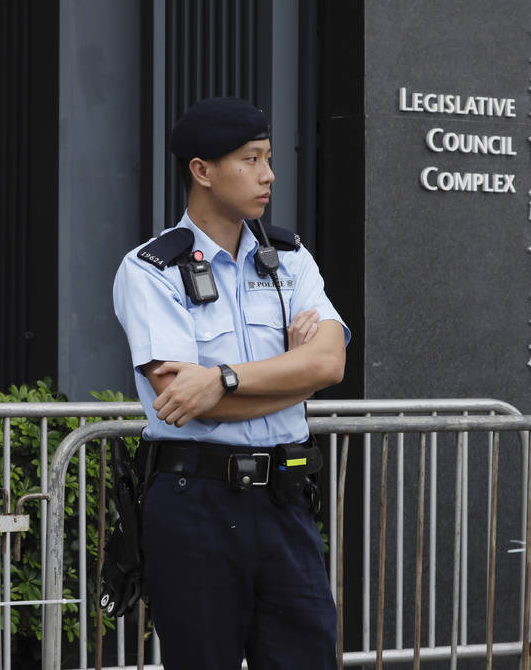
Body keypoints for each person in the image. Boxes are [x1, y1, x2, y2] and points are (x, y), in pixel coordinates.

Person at [112, 96, 350, 669]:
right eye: (251, 159)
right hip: (196, 505)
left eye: (268, 158)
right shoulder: (149, 270)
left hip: (286, 499)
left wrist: (224, 378)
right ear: (202, 170)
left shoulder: (291, 259)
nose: (268, 175)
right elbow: (187, 402)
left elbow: (330, 364)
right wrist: (293, 375)